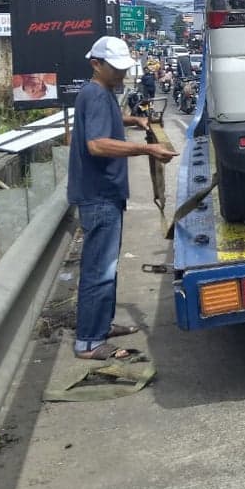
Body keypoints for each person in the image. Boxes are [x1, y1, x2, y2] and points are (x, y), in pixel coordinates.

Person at [69, 36, 178, 361]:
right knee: (99, 270)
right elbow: (98, 145)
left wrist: (135, 120)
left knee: (107, 267)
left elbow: (105, 129)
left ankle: (100, 327)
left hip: (102, 194)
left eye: (122, 68)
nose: (120, 74)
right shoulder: (98, 96)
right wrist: (147, 148)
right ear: (96, 64)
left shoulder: (98, 94)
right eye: (114, 68)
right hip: (99, 195)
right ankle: (89, 341)